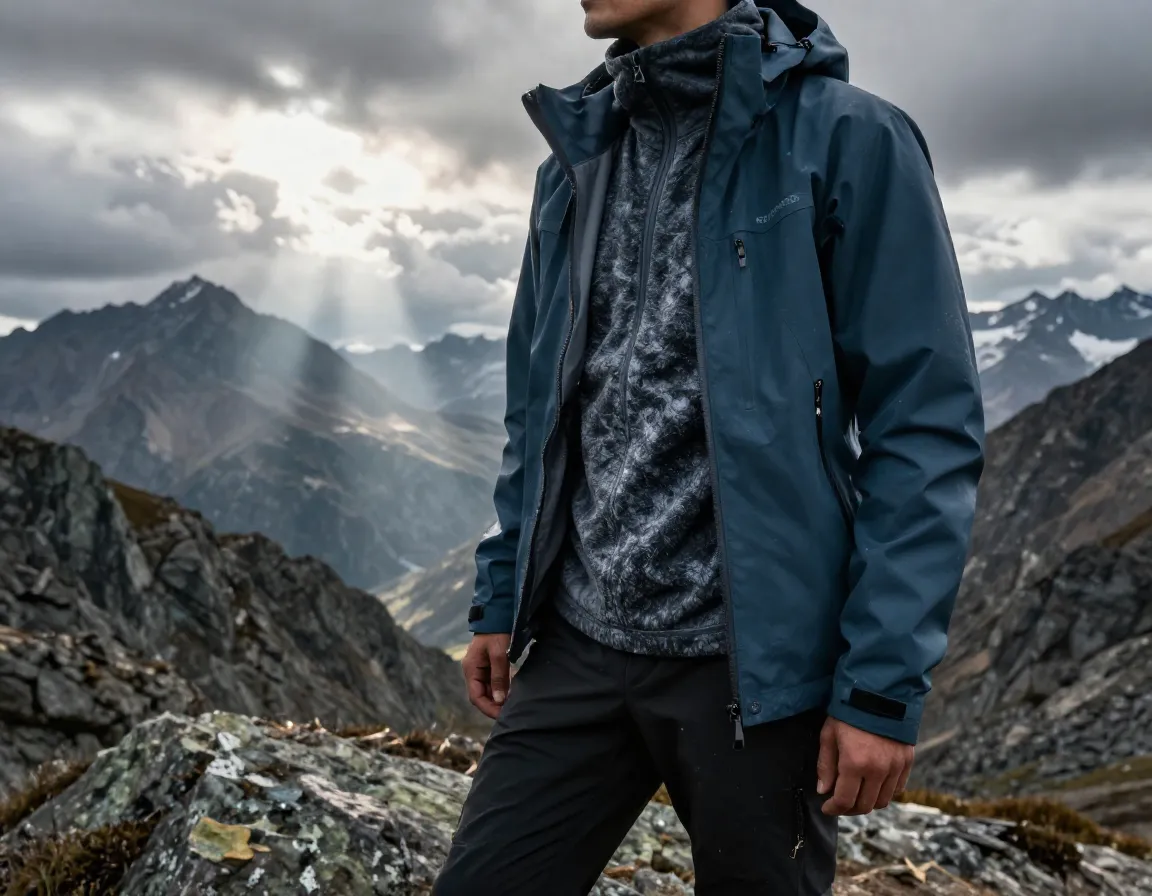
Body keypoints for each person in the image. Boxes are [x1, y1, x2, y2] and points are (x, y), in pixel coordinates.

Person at [435, 0, 985, 892]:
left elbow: (923, 426)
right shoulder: (575, 157)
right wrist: (502, 595)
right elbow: (538, 407)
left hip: (755, 674)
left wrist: (881, 686)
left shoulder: (852, 141)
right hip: (579, 643)